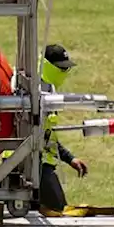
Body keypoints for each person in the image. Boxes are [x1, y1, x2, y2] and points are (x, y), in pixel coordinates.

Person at [36, 44, 88, 212]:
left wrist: (69, 158)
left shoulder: (47, 90)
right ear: (48, 66)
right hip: (35, 166)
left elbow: (47, 137)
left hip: (38, 164)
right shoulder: (38, 91)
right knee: (59, 212)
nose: (65, 73)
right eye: (61, 68)